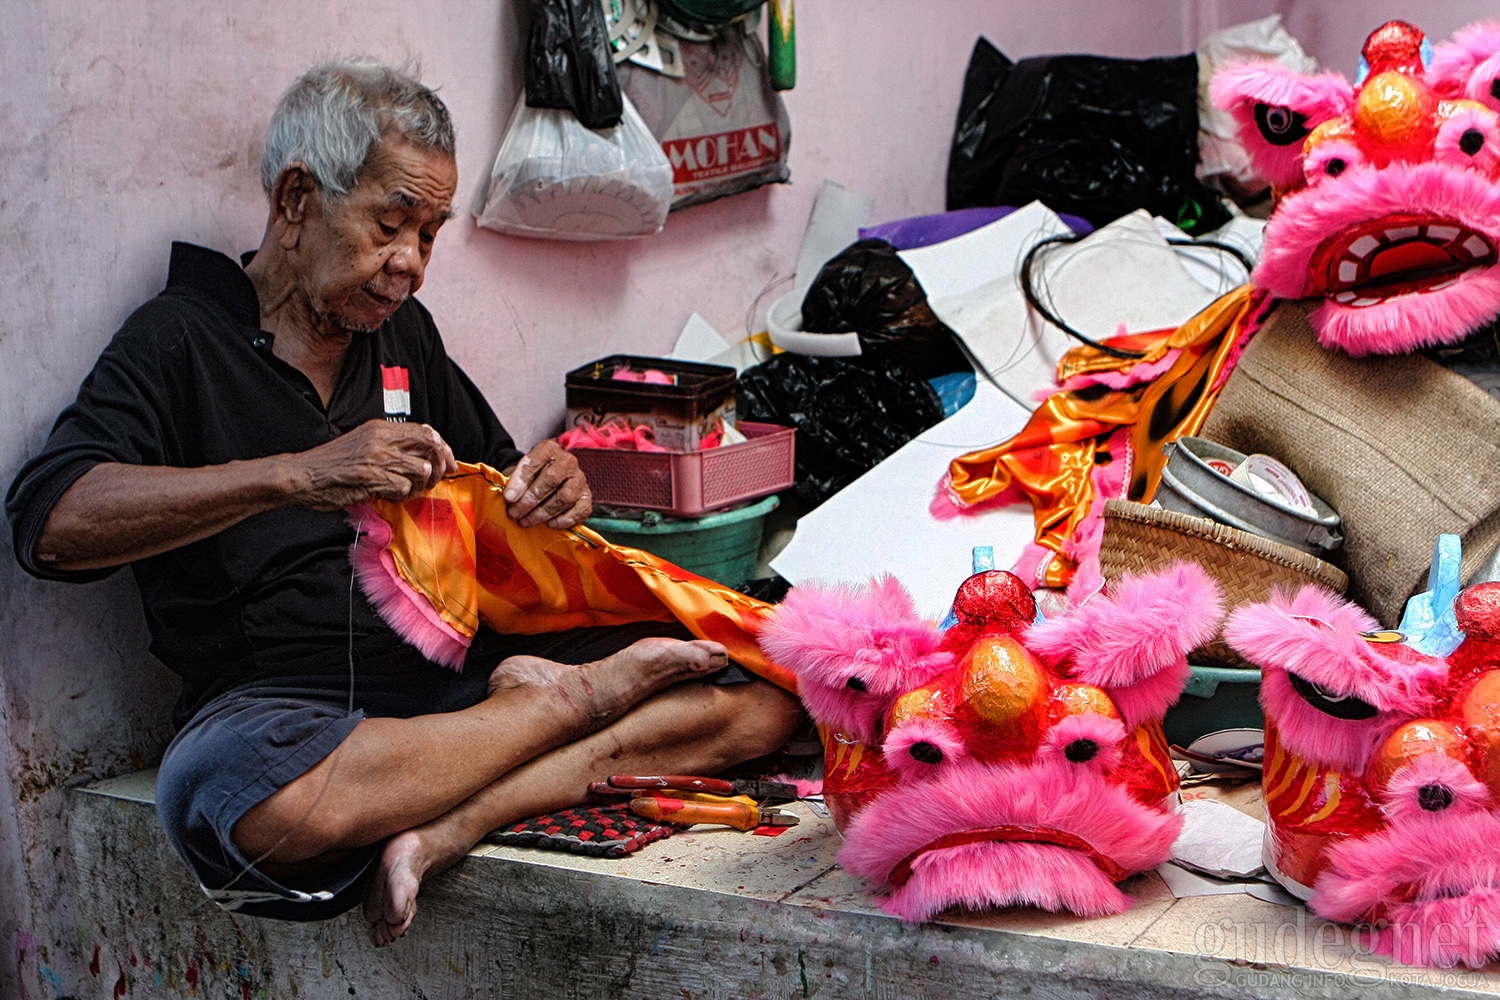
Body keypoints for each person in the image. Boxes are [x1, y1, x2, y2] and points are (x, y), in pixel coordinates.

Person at [5, 60, 802, 946]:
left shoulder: (398, 334)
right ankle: (558, 713)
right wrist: (298, 475)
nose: (412, 265)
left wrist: (553, 487)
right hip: (287, 705)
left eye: (429, 235)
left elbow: (498, 479)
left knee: (760, 693)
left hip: (457, 676)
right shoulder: (179, 338)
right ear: (298, 199)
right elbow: (51, 522)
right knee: (230, 800)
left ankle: (453, 821)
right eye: (392, 224)